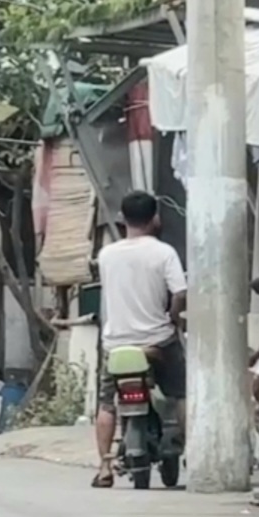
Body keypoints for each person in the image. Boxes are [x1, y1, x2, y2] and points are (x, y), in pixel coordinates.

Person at [91, 190, 188, 489]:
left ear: (122, 219)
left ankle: (105, 468)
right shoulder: (164, 253)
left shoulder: (106, 255)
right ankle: (194, 455)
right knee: (182, 394)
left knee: (107, 405)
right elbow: (181, 293)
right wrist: (172, 316)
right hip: (157, 342)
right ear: (155, 218)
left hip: (117, 345)